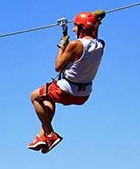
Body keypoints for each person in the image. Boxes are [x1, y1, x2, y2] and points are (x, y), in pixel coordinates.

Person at [28, 10, 106, 153]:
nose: (74, 28)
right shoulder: (101, 44)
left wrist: (62, 45)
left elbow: (57, 67)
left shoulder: (75, 45)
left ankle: (51, 134)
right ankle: (42, 135)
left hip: (66, 90)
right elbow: (93, 38)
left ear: (82, 28)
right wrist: (96, 21)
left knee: (34, 96)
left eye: (76, 26)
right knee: (47, 100)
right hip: (84, 95)